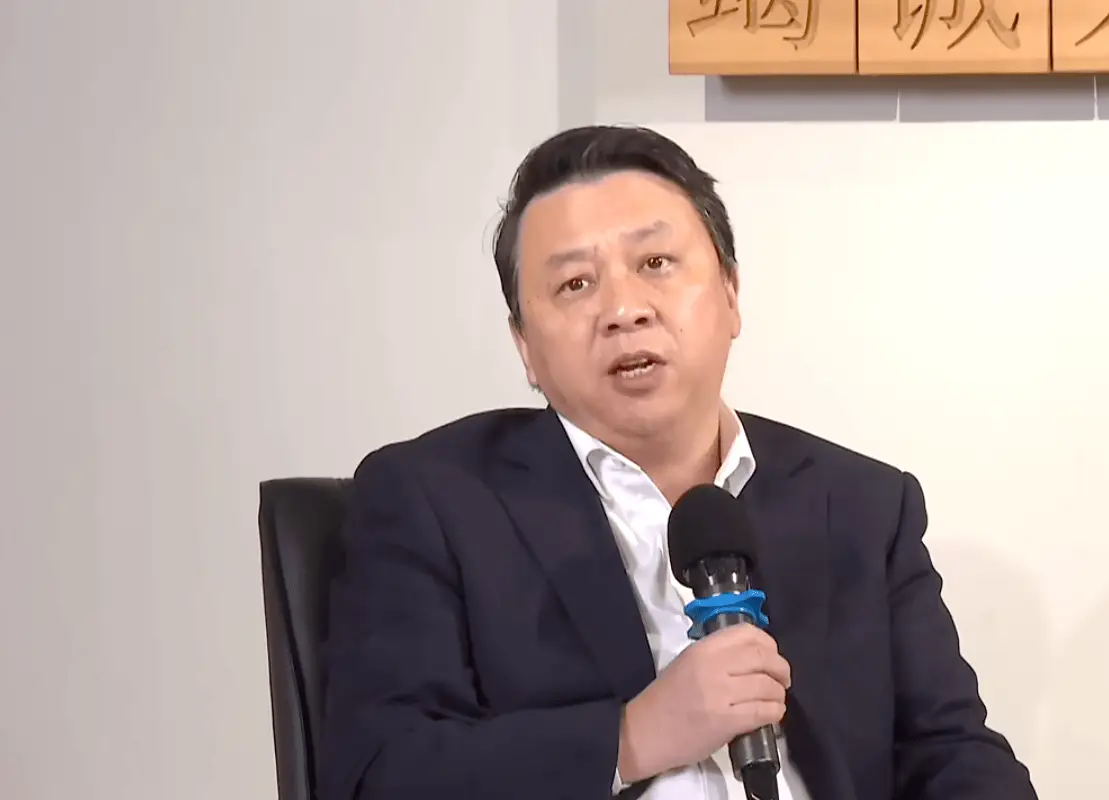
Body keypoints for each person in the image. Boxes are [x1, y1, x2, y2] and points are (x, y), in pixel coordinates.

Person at [317, 125, 1038, 800]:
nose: (624, 309)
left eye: (655, 264)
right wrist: (632, 737)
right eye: (575, 284)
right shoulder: (435, 499)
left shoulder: (860, 504)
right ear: (525, 347)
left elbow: (952, 753)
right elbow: (380, 771)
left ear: (730, 293)